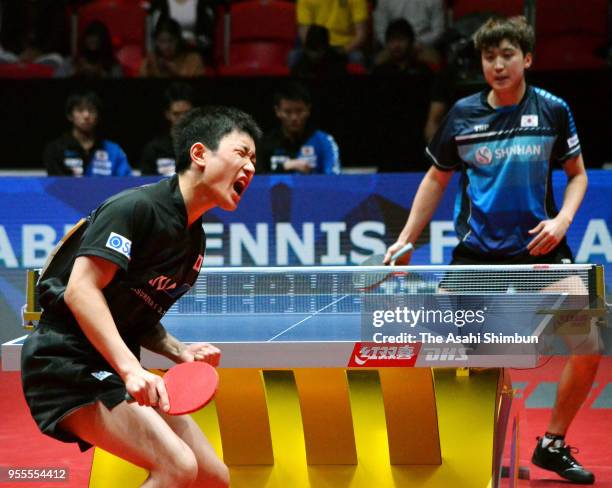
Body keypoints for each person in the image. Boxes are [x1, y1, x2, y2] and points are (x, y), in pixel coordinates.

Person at [384, 17, 599, 484]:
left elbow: (578, 173)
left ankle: (552, 444)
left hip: (542, 248)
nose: (497, 65)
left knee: (591, 339)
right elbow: (435, 179)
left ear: (527, 59)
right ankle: (464, 451)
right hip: (478, 253)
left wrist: (562, 220)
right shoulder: (462, 115)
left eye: (507, 55)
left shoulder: (552, 110)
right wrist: (407, 238)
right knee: (464, 356)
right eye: (488, 57)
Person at [21, 106, 261, 487]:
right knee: (177, 467)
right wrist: (131, 369)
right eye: (241, 153)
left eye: (254, 159)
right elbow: (81, 292)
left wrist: (178, 351)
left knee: (214, 477)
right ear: (199, 154)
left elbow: (140, 315)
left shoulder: (194, 240)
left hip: (111, 365)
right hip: (65, 362)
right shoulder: (135, 208)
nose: (250, 167)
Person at [259, 82, 341, 175]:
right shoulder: (265, 144)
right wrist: (284, 167)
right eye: (288, 112)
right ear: (278, 111)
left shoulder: (324, 141)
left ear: (308, 109)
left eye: (299, 111)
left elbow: (334, 180)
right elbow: (256, 180)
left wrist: (310, 174)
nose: (294, 117)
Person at [44, 91, 132, 177]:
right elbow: (57, 186)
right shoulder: (55, 150)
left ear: (98, 116)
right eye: (80, 110)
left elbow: (126, 184)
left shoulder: (113, 151)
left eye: (91, 110)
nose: (86, 115)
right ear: (70, 115)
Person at [140, 82, 195, 176]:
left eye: (187, 113)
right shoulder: (154, 149)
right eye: (176, 114)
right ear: (167, 114)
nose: (182, 118)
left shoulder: (203, 147)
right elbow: (146, 186)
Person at [295, 0, 369, 66]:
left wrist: (343, 51)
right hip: (318, 47)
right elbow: (304, 33)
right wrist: (317, 52)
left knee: (357, 58)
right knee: (294, 57)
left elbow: (361, 35)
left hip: (345, 47)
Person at [373, 0, 445, 65]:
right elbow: (381, 31)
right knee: (379, 63)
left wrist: (416, 44)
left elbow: (438, 31)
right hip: (394, 42)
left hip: (423, 44)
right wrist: (393, 44)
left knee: (434, 62)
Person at [140, 16, 205, 78]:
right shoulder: (151, 61)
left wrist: (175, 71)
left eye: (171, 41)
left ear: (178, 40)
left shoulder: (193, 59)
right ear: (156, 41)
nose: (166, 46)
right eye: (161, 41)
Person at [56, 21, 124, 79]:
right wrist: (76, 72)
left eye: (96, 41)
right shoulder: (71, 61)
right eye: (90, 38)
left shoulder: (113, 65)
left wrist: (101, 74)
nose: (93, 41)